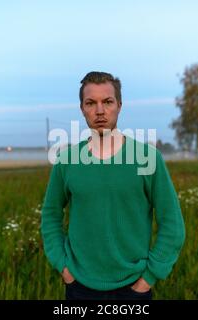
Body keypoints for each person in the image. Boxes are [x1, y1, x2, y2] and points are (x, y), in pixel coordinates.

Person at [40, 71, 186, 300]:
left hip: (133, 287)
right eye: (91, 103)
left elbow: (172, 224)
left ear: (119, 105)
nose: (100, 111)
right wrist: (64, 267)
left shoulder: (147, 158)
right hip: (79, 287)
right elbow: (50, 215)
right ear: (82, 108)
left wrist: (149, 278)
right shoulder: (67, 160)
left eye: (107, 102)